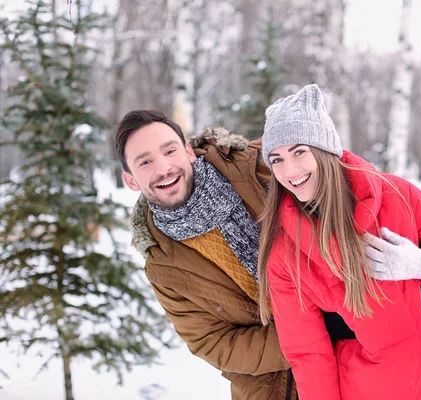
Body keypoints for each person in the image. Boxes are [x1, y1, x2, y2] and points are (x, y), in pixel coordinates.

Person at [115, 109, 383, 399]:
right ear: (130, 180)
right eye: (145, 162)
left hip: (376, 333)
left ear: (188, 152)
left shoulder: (261, 164)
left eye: (170, 151)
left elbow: (361, 192)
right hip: (277, 385)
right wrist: (315, 331)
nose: (164, 167)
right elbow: (215, 344)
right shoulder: (162, 264)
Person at [257, 84, 421, 400]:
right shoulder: (284, 251)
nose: (289, 171)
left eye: (299, 152)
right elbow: (308, 352)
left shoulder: (395, 194)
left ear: (324, 149)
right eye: (276, 160)